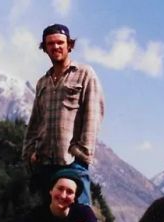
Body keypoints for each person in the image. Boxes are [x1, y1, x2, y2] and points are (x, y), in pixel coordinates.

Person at [23, 23, 105, 205]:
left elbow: (94, 113)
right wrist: (29, 152)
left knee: (81, 216)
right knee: (48, 217)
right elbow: (35, 120)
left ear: (69, 45)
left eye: (60, 42)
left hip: (73, 161)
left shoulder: (84, 74)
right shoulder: (42, 82)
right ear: (44, 48)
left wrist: (81, 152)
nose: (56, 47)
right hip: (44, 162)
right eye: (50, 44)